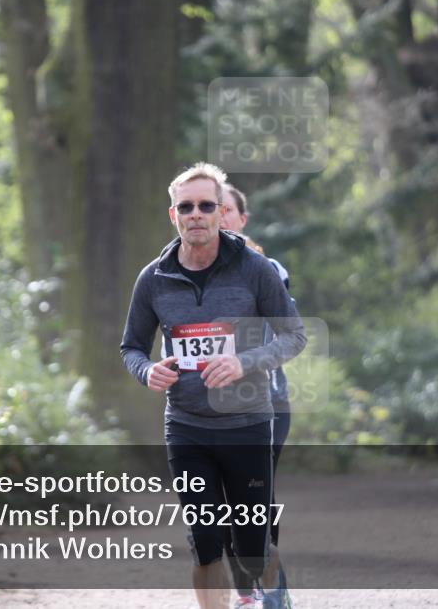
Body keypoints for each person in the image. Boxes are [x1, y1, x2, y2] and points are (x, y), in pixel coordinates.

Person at [121, 163, 306, 609]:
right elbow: (132, 347)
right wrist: (148, 371)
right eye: (186, 207)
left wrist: (243, 363)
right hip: (187, 427)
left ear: (223, 212)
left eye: (206, 206)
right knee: (205, 539)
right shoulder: (153, 278)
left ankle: (274, 597)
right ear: (173, 215)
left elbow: (294, 336)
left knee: (251, 542)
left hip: (247, 424)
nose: (196, 215)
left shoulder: (255, 269)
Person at [219, 184, 293, 607]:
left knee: (254, 495)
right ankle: (246, 590)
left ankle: (270, 587)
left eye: (225, 209)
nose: (217, 216)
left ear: (241, 219)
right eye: (208, 209)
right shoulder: (180, 272)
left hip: (268, 405)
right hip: (208, 410)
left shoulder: (268, 269)